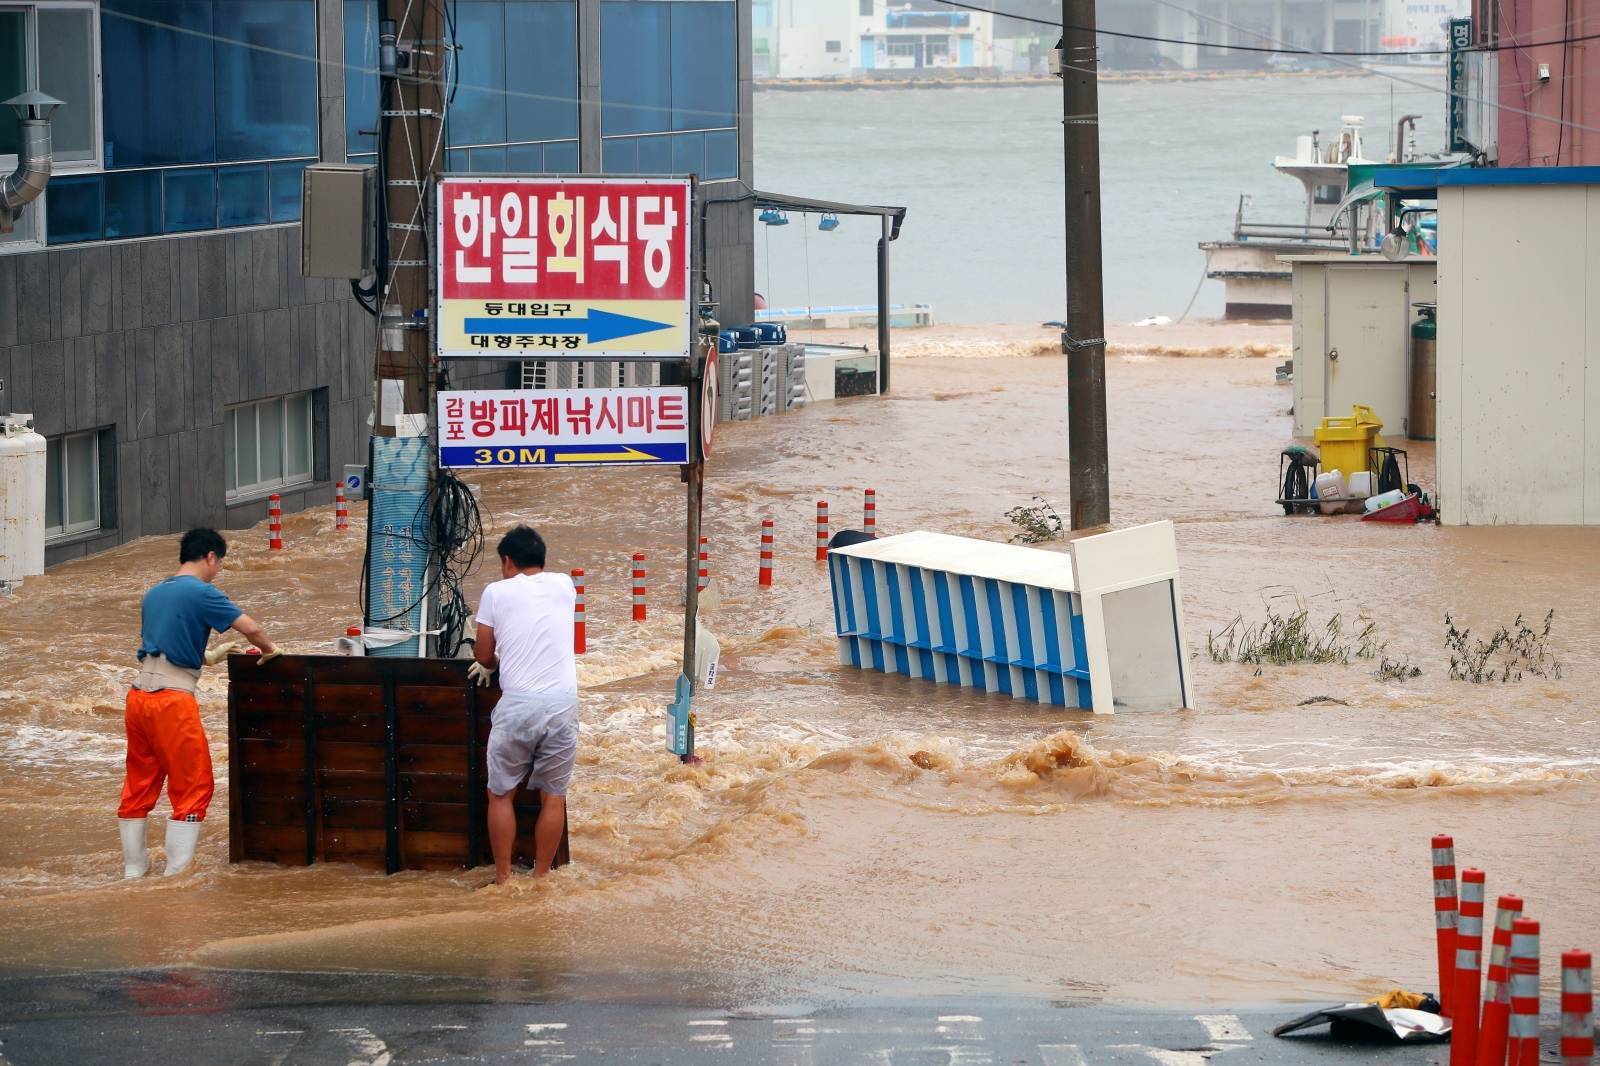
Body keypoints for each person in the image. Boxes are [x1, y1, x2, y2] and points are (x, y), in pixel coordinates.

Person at [118, 528, 278, 878]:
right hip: (171, 703)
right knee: (194, 784)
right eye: (219, 562)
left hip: (138, 698)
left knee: (139, 783)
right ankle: (176, 876)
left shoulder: (155, 593)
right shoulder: (203, 592)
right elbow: (250, 628)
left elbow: (163, 645)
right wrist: (270, 651)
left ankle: (133, 872)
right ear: (209, 556)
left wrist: (209, 656)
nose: (218, 569)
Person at [470, 525, 578, 885]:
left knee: (500, 795)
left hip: (518, 705)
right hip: (563, 704)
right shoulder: (565, 585)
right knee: (553, 796)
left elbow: (484, 654)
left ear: (508, 561)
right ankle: (542, 879)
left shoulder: (496, 592)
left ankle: (503, 880)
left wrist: (495, 664)